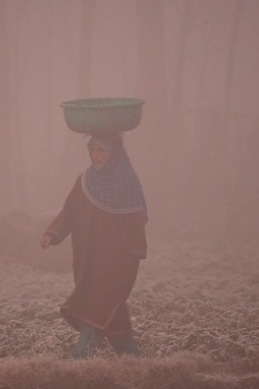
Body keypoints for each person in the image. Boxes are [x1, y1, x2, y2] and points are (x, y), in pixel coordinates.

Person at [39, 133, 148, 359]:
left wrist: (135, 253)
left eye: (101, 151)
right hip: (89, 260)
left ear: (113, 153)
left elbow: (137, 221)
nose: (96, 156)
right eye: (93, 151)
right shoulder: (85, 181)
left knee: (95, 307)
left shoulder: (127, 181)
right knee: (110, 311)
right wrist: (52, 233)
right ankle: (134, 358)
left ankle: (81, 362)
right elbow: (68, 212)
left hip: (116, 261)